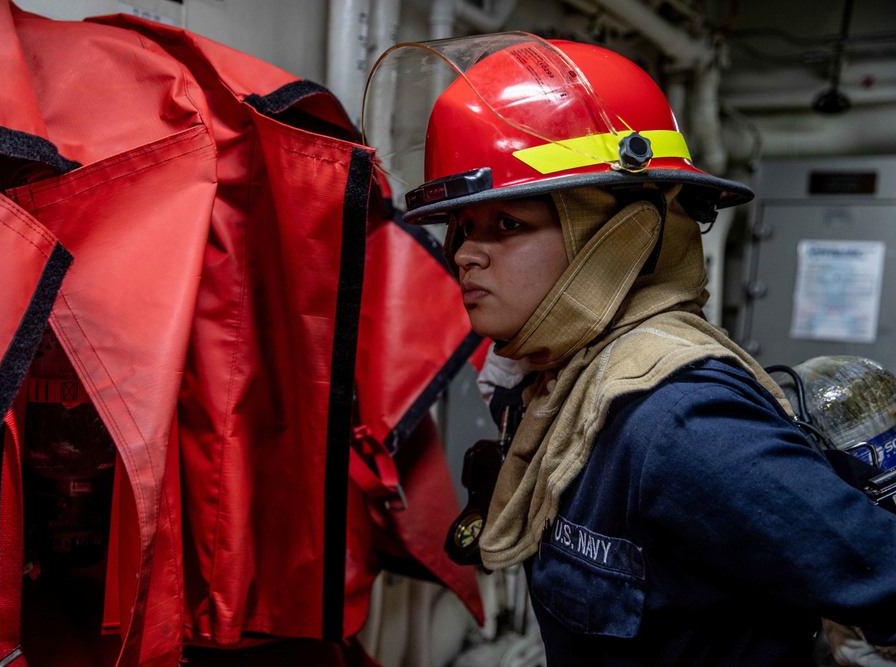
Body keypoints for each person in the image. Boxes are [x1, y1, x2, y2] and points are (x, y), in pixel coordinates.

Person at [363, 33, 896, 666]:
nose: (464, 254)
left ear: (619, 234)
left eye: (508, 223)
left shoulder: (677, 422)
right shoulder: (561, 386)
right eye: (462, 227)